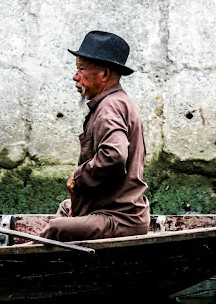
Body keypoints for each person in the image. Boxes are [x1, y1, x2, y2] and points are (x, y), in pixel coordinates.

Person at [40, 31, 150, 241]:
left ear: (105, 74)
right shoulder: (116, 102)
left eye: (81, 69)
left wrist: (78, 177)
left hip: (120, 219)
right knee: (66, 208)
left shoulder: (109, 107)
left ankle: (26, 252)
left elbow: (114, 156)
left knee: (57, 228)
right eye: (76, 69)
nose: (75, 76)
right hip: (109, 212)